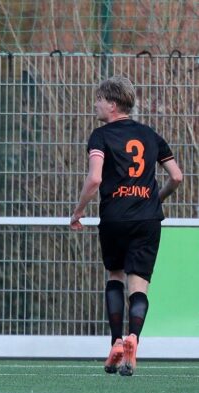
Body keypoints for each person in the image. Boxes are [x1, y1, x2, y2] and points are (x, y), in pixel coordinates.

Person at [70, 75, 182, 376]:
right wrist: (156, 198)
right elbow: (177, 176)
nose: (95, 104)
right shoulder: (150, 135)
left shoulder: (100, 136)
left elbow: (95, 178)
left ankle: (116, 342)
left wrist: (78, 211)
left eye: (99, 99)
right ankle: (134, 337)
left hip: (115, 218)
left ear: (112, 103)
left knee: (115, 276)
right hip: (147, 219)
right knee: (139, 285)